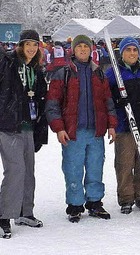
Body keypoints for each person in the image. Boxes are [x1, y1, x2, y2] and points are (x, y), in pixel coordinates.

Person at [46, 34, 117, 223]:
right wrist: (59, 128)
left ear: (91, 50)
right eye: (80, 47)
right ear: (74, 50)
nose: (83, 50)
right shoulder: (64, 73)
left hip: (96, 131)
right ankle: (75, 204)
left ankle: (94, 202)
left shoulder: (98, 73)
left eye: (87, 47)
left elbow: (107, 102)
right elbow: (52, 104)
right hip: (73, 133)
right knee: (73, 169)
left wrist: (111, 125)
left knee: (95, 167)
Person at [0, 30, 48, 238]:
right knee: (15, 170)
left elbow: (39, 98)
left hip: (29, 125)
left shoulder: (36, 69)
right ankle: (3, 216)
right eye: (27, 44)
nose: (31, 48)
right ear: (20, 46)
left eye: (35, 45)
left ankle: (24, 212)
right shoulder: (8, 63)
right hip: (9, 125)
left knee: (28, 170)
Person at [105, 37, 140, 214]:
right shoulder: (113, 73)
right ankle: (126, 198)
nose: (132, 53)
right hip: (124, 125)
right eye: (128, 50)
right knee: (124, 164)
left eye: (135, 50)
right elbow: (106, 98)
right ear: (122, 53)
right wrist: (118, 99)